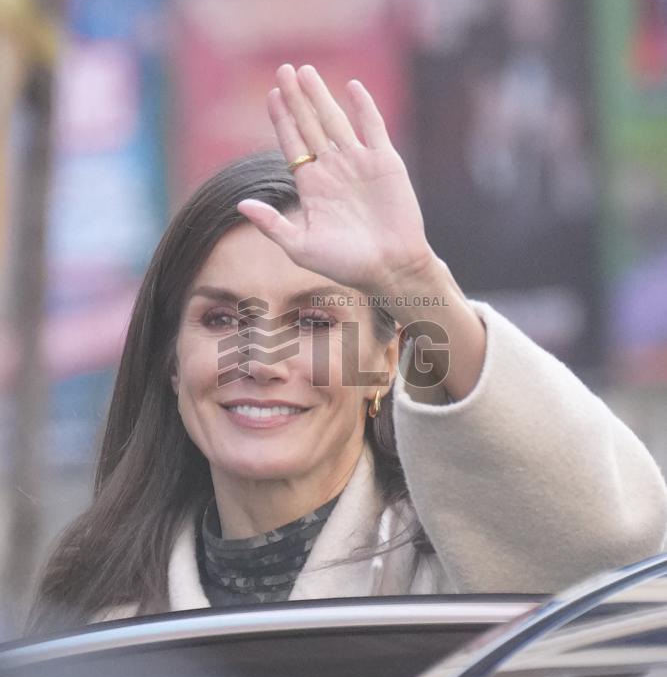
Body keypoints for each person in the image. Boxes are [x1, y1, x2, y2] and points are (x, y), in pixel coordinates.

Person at [28, 64, 667, 633]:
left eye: (313, 323)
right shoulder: (94, 612)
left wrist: (414, 280)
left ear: (385, 364)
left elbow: (615, 555)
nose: (260, 360)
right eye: (221, 319)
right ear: (171, 362)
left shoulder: (464, 579)